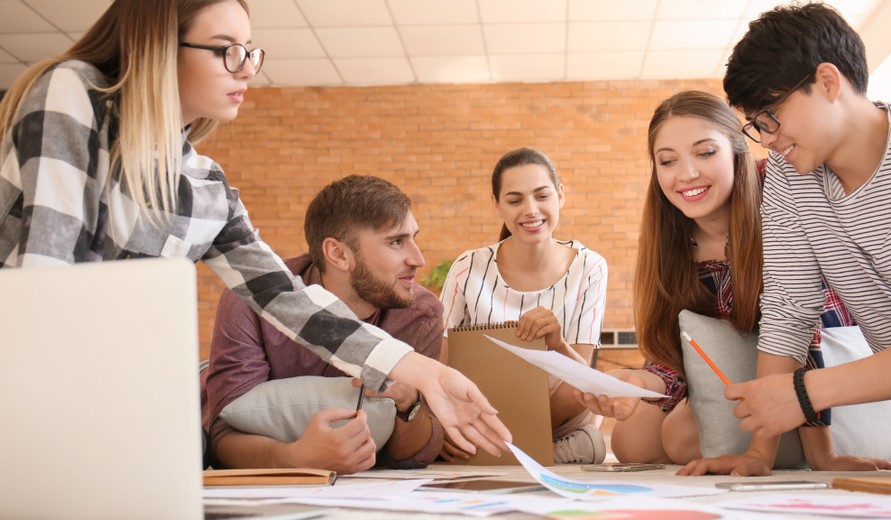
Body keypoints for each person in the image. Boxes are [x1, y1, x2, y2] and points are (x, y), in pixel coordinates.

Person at [0, 0, 509, 460]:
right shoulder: (73, 92)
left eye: (250, 52)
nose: (246, 69)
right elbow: (45, 275)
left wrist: (424, 371)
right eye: (226, 50)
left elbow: (290, 301)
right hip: (30, 390)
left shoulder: (206, 187)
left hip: (103, 403)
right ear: (157, 46)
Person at [679, 3, 891, 484]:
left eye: (770, 116)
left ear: (828, 82)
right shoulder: (790, 181)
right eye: (756, 126)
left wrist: (806, 392)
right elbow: (788, 308)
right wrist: (759, 452)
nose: (768, 139)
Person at [574, 90, 891, 473]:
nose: (687, 174)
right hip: (739, 370)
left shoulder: (778, 195)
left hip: (821, 369)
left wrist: (820, 451)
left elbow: (805, 321)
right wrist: (638, 382)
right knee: (633, 442)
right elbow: (682, 349)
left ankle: (797, 442)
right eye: (667, 161)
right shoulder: (669, 238)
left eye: (706, 153)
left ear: (737, 152)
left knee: (681, 437)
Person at [203, 175, 444, 473]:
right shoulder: (250, 297)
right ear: (338, 254)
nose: (418, 259)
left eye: (414, 238)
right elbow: (222, 439)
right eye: (396, 241)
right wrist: (295, 458)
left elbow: (415, 455)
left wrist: (410, 402)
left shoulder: (420, 313)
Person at [439, 147, 609, 464]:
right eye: (515, 200)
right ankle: (545, 453)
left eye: (541, 196)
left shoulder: (590, 266)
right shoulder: (467, 266)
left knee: (582, 389)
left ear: (560, 196)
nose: (530, 210)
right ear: (497, 206)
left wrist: (556, 343)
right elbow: (441, 363)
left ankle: (500, 449)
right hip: (484, 405)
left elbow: (583, 378)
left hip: (555, 414)